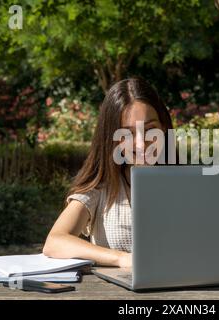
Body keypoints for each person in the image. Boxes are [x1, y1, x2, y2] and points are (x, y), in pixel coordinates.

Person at [42, 77, 174, 268]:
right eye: (127, 133)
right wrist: (122, 258)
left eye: (150, 129)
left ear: (164, 127)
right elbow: (54, 242)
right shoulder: (100, 187)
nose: (140, 143)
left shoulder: (188, 184)